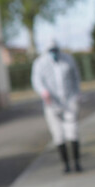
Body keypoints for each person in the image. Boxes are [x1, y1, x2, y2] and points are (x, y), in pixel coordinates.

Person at [31, 40, 83, 173]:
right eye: (51, 50)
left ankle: (76, 163)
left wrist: (76, 95)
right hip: (52, 104)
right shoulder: (40, 63)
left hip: (69, 101)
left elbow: (76, 77)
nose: (54, 53)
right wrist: (43, 92)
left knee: (72, 131)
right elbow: (36, 81)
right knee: (58, 133)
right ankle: (65, 165)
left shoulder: (68, 59)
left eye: (55, 50)